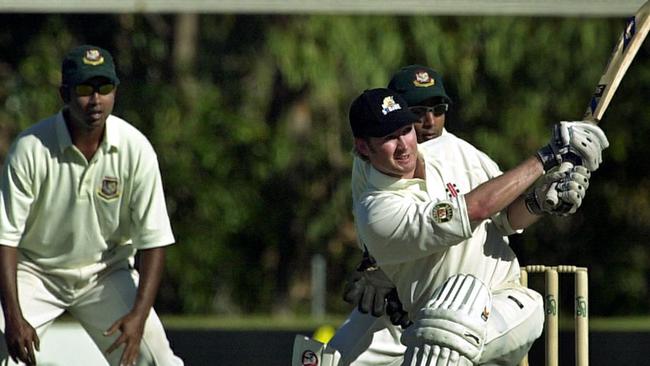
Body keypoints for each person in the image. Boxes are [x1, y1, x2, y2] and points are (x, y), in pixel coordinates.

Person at [334, 72, 607, 365]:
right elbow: (475, 209)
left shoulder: (455, 155)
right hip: (430, 323)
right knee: (336, 357)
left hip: (504, 303)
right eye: (389, 137)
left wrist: (540, 200)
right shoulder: (377, 209)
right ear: (363, 147)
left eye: (405, 130)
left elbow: (504, 217)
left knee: (449, 324)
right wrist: (549, 156)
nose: (404, 145)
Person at [0, 45, 183, 366]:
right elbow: (5, 238)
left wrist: (138, 318)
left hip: (105, 274)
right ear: (64, 94)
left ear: (115, 92)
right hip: (35, 272)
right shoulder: (30, 149)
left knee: (158, 361)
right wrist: (13, 319)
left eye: (105, 88)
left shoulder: (136, 149)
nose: (95, 100)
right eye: (85, 89)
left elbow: (154, 241)